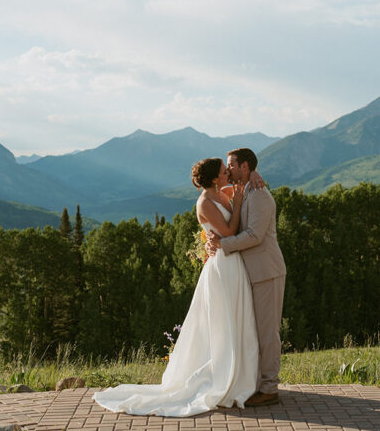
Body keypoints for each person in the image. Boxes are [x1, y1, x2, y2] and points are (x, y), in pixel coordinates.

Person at [93, 157, 259, 416]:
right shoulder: (205, 202)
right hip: (222, 266)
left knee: (237, 320)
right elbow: (229, 232)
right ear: (215, 178)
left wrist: (255, 174)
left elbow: (246, 182)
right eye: (224, 171)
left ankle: (242, 375)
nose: (228, 173)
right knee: (222, 322)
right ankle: (224, 377)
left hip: (233, 264)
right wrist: (237, 206)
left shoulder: (222, 193)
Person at [206, 148, 286, 407]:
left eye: (231, 165)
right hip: (248, 273)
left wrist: (223, 244)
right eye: (226, 167)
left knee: (267, 332)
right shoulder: (243, 190)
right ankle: (255, 383)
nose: (227, 170)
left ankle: (269, 388)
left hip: (266, 272)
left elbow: (254, 236)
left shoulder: (260, 195)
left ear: (244, 167)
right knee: (253, 331)